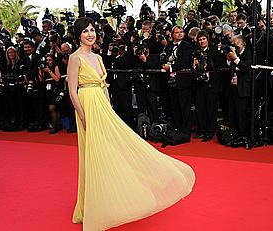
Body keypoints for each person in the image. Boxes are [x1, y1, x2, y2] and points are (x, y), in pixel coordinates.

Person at [67, 17, 195, 231]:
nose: (90, 34)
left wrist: (108, 108)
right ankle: (93, 206)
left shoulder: (98, 58)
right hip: (87, 108)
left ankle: (114, 198)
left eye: (92, 30)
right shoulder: (75, 58)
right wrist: (82, 116)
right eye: (85, 31)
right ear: (78, 35)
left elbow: (104, 86)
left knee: (113, 149)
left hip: (102, 106)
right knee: (94, 154)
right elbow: (72, 90)